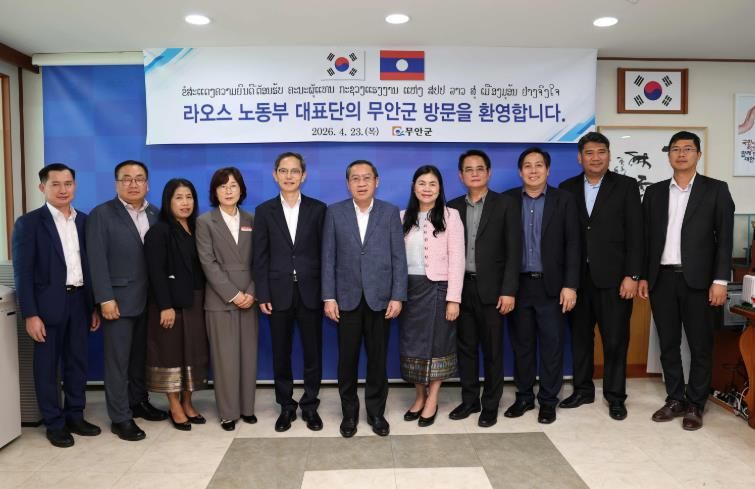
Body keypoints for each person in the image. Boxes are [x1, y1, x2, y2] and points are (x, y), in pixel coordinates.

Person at [639, 131, 735, 431]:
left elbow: (725, 239)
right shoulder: (654, 192)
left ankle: (695, 403)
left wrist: (720, 281)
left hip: (700, 282)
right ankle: (675, 398)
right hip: (662, 279)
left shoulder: (716, 190)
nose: (681, 154)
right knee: (668, 344)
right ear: (669, 155)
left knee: (700, 345)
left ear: (698, 155)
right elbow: (645, 239)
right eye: (676, 149)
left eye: (688, 149)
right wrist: (643, 276)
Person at [12, 163, 101, 448]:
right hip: (47, 307)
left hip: (80, 302)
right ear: (43, 188)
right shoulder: (29, 224)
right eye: (56, 184)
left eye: (68, 183)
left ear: (75, 185)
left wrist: (94, 306)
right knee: (47, 367)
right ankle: (54, 423)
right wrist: (30, 314)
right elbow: (23, 273)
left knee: (77, 363)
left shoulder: (84, 221)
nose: (63, 189)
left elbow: (90, 266)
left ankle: (75, 415)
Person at [558, 132, 643, 421]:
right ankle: (582, 390)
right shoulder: (567, 188)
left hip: (616, 280)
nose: (596, 158)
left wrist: (632, 275)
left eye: (601, 152)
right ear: (579, 158)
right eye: (589, 152)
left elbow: (636, 234)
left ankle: (615, 396)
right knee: (580, 338)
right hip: (578, 280)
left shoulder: (626, 186)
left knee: (615, 340)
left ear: (609, 154)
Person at [322, 160, 407, 438]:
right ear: (348, 184)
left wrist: (397, 296)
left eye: (366, 178)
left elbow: (398, 258)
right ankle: (349, 414)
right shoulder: (334, 213)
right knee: (346, 361)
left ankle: (376, 412)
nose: (361, 183)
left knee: (377, 361)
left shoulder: (390, 212)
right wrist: (329, 297)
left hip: (380, 299)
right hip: (345, 299)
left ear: (376, 181)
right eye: (355, 178)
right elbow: (328, 258)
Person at [87, 160, 167, 442]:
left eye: (139, 178)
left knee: (139, 358)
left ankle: (138, 401)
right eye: (127, 179)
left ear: (148, 184)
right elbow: (96, 260)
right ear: (116, 183)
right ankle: (120, 417)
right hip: (118, 301)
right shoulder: (102, 214)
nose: (133, 184)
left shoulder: (156, 213)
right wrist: (105, 298)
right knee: (117, 362)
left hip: (149, 301)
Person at [502, 147, 580, 424]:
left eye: (538, 165)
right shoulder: (508, 200)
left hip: (553, 287)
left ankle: (548, 400)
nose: (533, 170)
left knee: (552, 346)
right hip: (518, 286)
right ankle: (524, 397)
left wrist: (570, 285)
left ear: (548, 170)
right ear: (520, 171)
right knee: (521, 346)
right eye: (527, 165)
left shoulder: (564, 200)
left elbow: (574, 244)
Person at [253, 152, 326, 432]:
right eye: (283, 171)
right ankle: (286, 406)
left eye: (295, 171)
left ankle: (310, 405)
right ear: (275, 175)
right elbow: (259, 256)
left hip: (311, 292)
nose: (289, 176)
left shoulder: (318, 209)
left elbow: (326, 254)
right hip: (277, 293)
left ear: (303, 175)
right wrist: (263, 294)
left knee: (312, 353)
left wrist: (327, 293)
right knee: (280, 354)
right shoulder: (264, 211)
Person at [447, 150, 521, 428]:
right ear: (460, 175)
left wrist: (509, 290)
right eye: (469, 169)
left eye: (480, 168)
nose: (474, 173)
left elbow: (514, 251)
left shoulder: (505, 204)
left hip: (494, 290)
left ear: (489, 173)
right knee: (465, 348)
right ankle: (470, 400)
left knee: (492, 350)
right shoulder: (452, 207)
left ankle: (490, 404)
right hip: (461, 287)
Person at [399, 165, 465, 427]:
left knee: (438, 344)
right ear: (413, 187)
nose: (427, 188)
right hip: (409, 291)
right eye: (422, 183)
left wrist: (454, 298)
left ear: (440, 189)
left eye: (432, 184)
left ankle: (433, 398)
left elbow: (457, 260)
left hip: (439, 288)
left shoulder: (451, 216)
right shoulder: (402, 217)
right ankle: (419, 396)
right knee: (413, 344)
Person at [196, 167, 258, 431]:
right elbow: (207, 263)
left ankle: (247, 409)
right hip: (220, 300)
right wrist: (233, 294)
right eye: (223, 186)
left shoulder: (252, 219)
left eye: (233, 185)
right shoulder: (204, 222)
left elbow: (260, 259)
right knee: (225, 359)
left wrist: (251, 292)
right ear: (214, 192)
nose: (229, 190)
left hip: (250, 297)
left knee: (248, 356)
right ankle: (228, 412)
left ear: (241, 190)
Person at [144, 179, 209, 431]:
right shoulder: (159, 231)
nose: (185, 203)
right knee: (170, 354)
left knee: (193, 353)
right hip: (170, 304)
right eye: (179, 198)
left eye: (189, 197)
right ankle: (174, 406)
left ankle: (188, 402)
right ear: (168, 201)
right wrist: (165, 305)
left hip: (196, 302)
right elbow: (155, 272)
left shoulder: (197, 227)